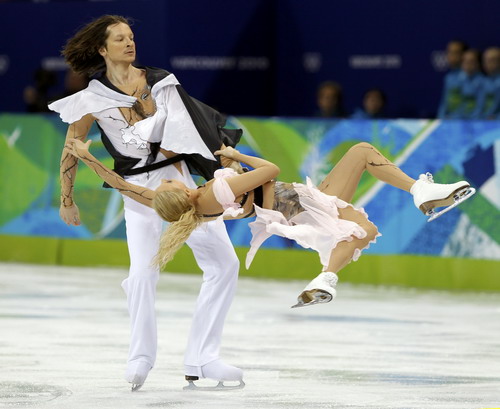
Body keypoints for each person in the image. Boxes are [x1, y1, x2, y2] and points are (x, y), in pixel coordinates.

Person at [48, 15, 245, 391]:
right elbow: (72, 147)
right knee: (142, 271)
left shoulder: (161, 81)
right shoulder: (91, 98)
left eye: (131, 37)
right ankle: (140, 355)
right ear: (102, 49)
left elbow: (198, 125)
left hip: (180, 180)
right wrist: (67, 199)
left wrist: (224, 161)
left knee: (224, 263)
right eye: (120, 39)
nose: (129, 43)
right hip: (136, 189)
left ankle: (203, 357)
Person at [65, 139, 475, 310]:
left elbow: (122, 185)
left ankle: (328, 277)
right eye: (173, 181)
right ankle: (331, 273)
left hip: (295, 206)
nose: (169, 179)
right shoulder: (210, 195)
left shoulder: (188, 205)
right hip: (300, 202)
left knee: (362, 181)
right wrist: (237, 155)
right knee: (360, 208)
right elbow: (270, 170)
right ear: (184, 192)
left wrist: (86, 155)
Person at [437, 40, 468, 118]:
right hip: (448, 122)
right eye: (449, 52)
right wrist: (441, 119)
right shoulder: (449, 77)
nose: (451, 56)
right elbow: (444, 103)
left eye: (456, 53)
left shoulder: (469, 77)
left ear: (464, 55)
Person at [480, 47, 500, 119]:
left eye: (492, 60)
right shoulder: (483, 81)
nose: (488, 63)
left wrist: (496, 118)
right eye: (486, 60)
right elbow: (480, 106)